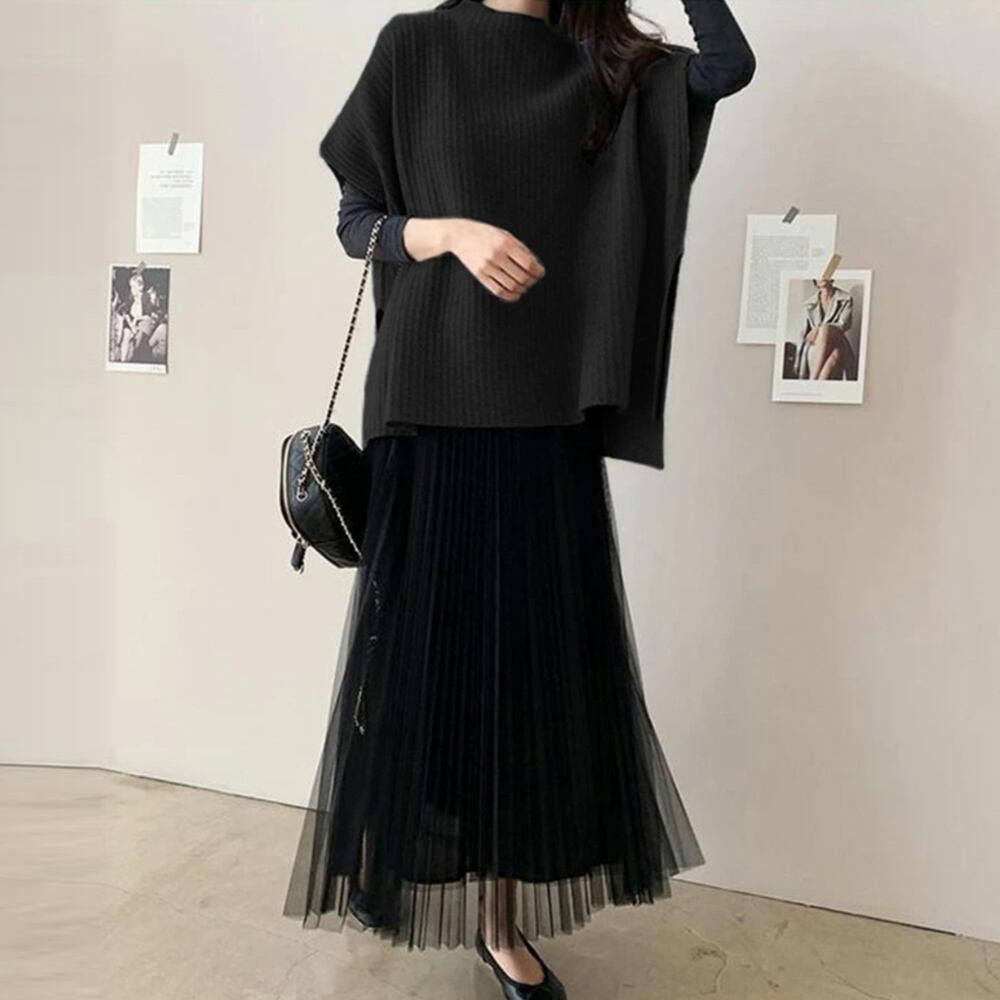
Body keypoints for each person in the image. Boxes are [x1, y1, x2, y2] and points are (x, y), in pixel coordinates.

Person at [283, 2, 755, 996]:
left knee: (525, 683)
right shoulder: (414, 47)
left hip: (545, 415)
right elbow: (356, 222)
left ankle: (499, 926)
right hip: (426, 404)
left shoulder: (602, 65)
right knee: (416, 663)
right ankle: (381, 853)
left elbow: (727, 65)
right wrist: (451, 232)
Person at [794, 278, 857, 380]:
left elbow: (845, 324)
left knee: (825, 329)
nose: (822, 277)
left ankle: (812, 379)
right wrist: (798, 360)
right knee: (835, 356)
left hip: (838, 340)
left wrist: (818, 329)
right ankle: (815, 384)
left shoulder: (846, 298)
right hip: (819, 345)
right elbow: (804, 333)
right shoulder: (808, 304)